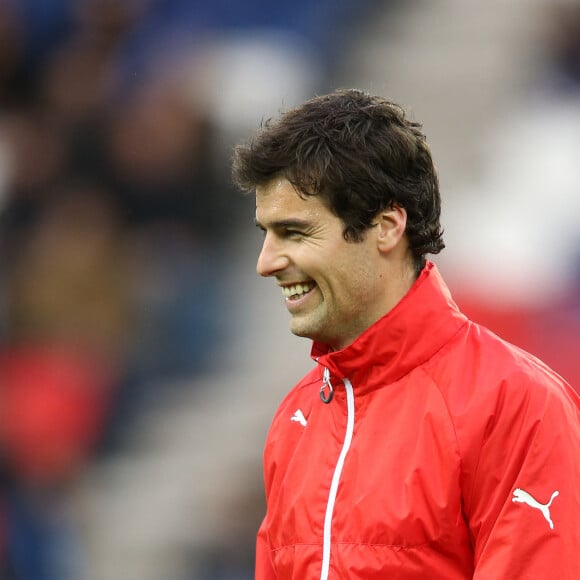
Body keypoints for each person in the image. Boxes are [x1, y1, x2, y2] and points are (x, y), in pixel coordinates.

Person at [231, 89, 580, 579]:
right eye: (265, 234)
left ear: (387, 226)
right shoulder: (296, 416)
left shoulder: (518, 403)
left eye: (294, 233)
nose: (266, 263)